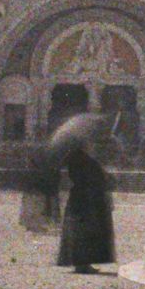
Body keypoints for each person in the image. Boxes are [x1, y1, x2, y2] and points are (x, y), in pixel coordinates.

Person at [50, 111, 117, 273]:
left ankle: (83, 262)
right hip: (86, 199)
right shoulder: (80, 158)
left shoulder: (81, 158)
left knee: (85, 231)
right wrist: (104, 176)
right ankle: (82, 263)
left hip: (83, 198)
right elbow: (90, 177)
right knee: (85, 231)